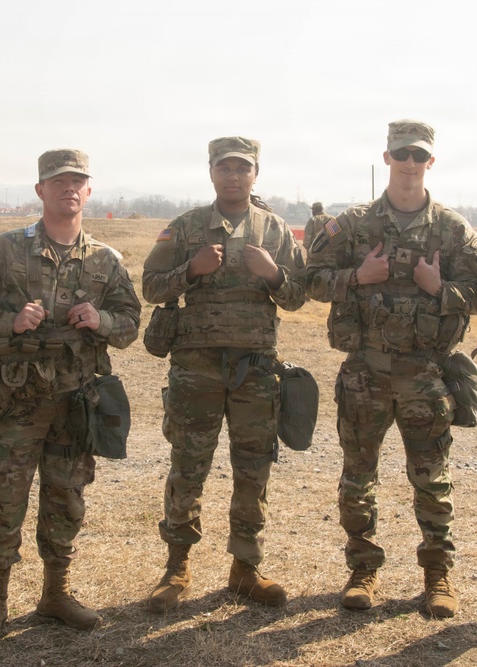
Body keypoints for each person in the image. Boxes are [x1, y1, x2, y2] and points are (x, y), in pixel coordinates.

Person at [306, 120, 477, 617]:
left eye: (419, 155)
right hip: (364, 373)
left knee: (432, 478)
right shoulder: (354, 224)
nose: (410, 163)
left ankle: (437, 575)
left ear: (432, 162)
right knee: (358, 476)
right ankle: (362, 568)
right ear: (386, 157)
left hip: (425, 374)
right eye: (401, 153)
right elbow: (310, 279)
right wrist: (356, 276)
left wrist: (439, 289)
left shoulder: (452, 230)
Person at [0, 149, 141, 643]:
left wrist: (100, 320)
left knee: (66, 498)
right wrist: (7, 321)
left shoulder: (106, 259)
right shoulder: (3, 252)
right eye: (58, 181)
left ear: (88, 190)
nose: (68, 189)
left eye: (77, 181)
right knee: (4, 498)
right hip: (17, 401)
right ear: (40, 190)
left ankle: (55, 594)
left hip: (75, 402)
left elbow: (130, 322)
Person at [142, 136, 307, 612]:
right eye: (224, 168)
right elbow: (151, 287)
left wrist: (274, 274)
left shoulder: (275, 230)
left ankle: (246, 568)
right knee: (188, 464)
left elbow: (299, 296)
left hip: (254, 369)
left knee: (253, 468)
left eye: (243, 168)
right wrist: (190, 271)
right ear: (211, 172)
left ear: (256, 173)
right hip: (196, 368)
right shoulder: (187, 226)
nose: (233, 176)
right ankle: (176, 567)